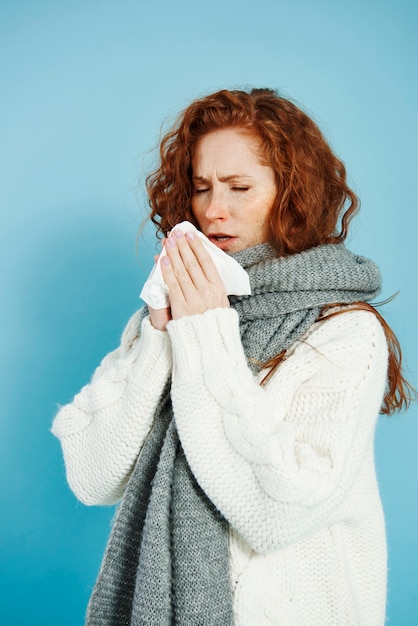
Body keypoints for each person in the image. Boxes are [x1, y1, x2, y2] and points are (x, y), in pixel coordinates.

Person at [52, 88, 413, 626]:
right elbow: (92, 477)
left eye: (239, 187)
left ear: (294, 195)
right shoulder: (174, 314)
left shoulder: (346, 332)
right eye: (202, 188)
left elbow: (277, 512)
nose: (214, 210)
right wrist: (158, 337)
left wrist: (204, 333)